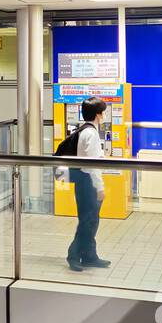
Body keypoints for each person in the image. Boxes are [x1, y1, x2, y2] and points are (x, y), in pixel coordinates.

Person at [65, 97, 110, 273]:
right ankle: (74, 255)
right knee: (88, 222)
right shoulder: (91, 134)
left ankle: (89, 256)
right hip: (88, 182)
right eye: (103, 112)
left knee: (90, 221)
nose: (104, 115)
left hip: (84, 181)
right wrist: (100, 187)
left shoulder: (85, 130)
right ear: (98, 115)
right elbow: (92, 165)